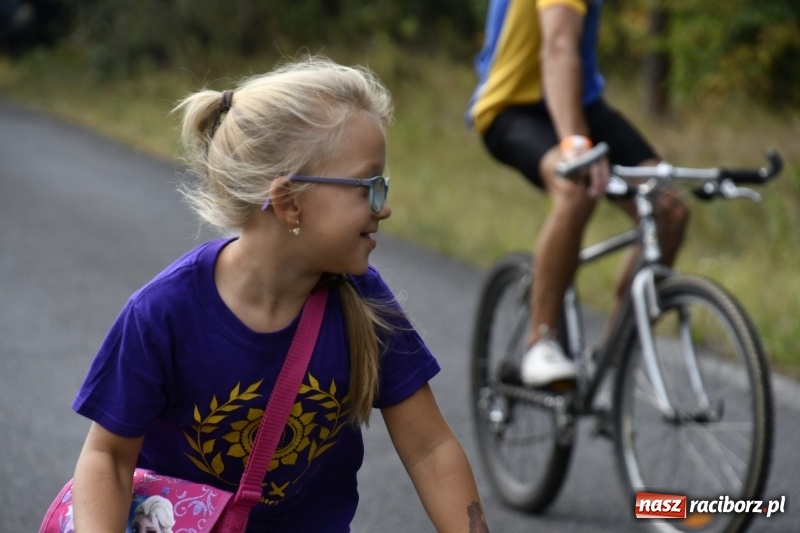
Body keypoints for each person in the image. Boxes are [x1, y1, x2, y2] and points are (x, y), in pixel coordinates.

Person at [69, 55, 491, 533]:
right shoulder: (164, 314)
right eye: (368, 187)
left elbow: (430, 449)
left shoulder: (363, 302)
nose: (385, 207)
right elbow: (107, 458)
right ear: (290, 202)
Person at [466, 0, 689, 388]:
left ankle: (615, 356)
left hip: (580, 102)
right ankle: (541, 341)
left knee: (668, 210)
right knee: (576, 189)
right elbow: (557, 45)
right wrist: (574, 143)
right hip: (512, 106)